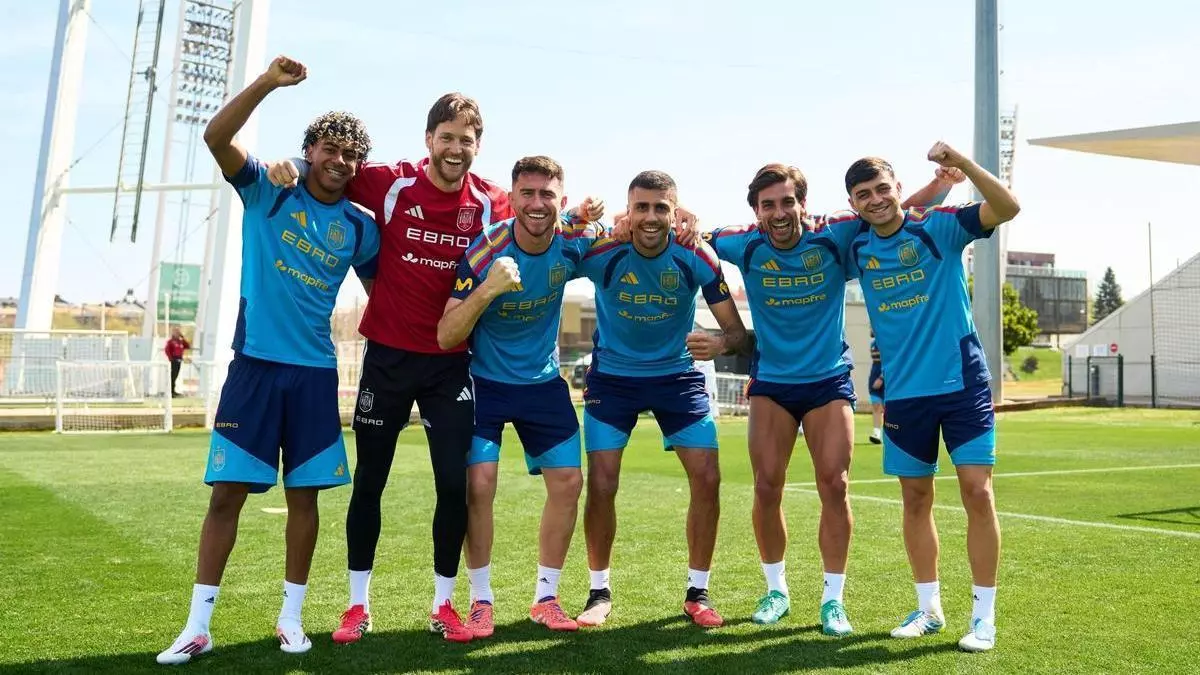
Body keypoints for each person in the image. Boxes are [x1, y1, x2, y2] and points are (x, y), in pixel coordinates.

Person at [266, 93, 597, 643]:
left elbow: (538, 216)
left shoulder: (490, 200)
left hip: (452, 363)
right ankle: (356, 606)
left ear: (477, 146)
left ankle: (444, 604)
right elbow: (335, 169)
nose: (455, 149)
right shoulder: (392, 183)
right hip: (389, 357)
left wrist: (581, 215)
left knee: (453, 486)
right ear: (429, 140)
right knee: (370, 482)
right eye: (446, 137)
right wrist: (295, 165)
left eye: (466, 140)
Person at [156, 55, 378, 665]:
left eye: (351, 155)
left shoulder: (361, 228)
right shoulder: (267, 188)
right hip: (252, 368)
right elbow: (215, 137)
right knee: (225, 496)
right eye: (329, 149)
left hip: (314, 377)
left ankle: (291, 618)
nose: (340, 161)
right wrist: (268, 84)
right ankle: (198, 626)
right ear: (309, 151)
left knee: (305, 499)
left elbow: (388, 291)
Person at [700, 164, 962, 633]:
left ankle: (832, 600)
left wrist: (940, 185)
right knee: (766, 486)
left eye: (787, 202)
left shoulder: (835, 232)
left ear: (803, 203)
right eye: (768, 205)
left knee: (835, 486)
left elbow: (892, 211)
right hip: (773, 383)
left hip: (827, 381)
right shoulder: (741, 243)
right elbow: (683, 237)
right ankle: (776, 590)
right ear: (756, 211)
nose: (779, 213)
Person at [843, 141, 1020, 653]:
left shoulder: (938, 226)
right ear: (852, 204)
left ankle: (983, 618)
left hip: (962, 384)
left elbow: (1008, 207)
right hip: (904, 394)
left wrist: (962, 165)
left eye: (882, 189)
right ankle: (929, 610)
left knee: (977, 494)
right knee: (916, 500)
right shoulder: (855, 246)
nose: (875, 199)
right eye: (863, 194)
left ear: (898, 188)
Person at [436, 156, 604, 638]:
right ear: (510, 198)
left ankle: (546, 598)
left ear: (560, 200)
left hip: (542, 383)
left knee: (569, 482)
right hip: (484, 383)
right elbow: (446, 334)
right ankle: (481, 601)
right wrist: (488, 289)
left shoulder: (573, 239)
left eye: (547, 194)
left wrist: (599, 215)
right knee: (480, 484)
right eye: (526, 194)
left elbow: (622, 232)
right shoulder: (485, 249)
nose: (536, 203)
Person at [575, 170, 748, 629]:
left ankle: (698, 593)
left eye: (660, 208)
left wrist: (721, 342)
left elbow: (736, 333)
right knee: (603, 483)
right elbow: (552, 251)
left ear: (676, 213)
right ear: (628, 211)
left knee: (708, 477)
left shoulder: (697, 255)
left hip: (677, 377)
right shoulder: (604, 252)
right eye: (641, 208)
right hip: (613, 379)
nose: (650, 217)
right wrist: (595, 223)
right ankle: (598, 591)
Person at [868, 330, 885, 444]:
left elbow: (889, 362)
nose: (871, 329)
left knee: (888, 408)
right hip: (874, 377)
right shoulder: (873, 343)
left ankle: (889, 434)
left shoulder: (886, 342)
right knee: (876, 406)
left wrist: (882, 378)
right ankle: (877, 433)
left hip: (885, 378)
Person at [165, 327, 191, 398]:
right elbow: (167, 350)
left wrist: (183, 337)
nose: (177, 333)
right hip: (174, 360)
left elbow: (188, 346)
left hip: (179, 360)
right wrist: (171, 358)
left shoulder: (180, 341)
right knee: (172, 376)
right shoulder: (171, 342)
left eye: (178, 332)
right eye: (176, 332)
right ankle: (171, 391)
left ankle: (173, 391)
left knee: (176, 376)